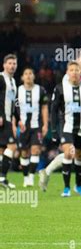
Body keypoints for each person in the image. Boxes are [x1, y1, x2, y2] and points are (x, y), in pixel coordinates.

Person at [39, 50, 81, 191]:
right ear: (68, 72)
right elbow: (54, 108)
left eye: (77, 70)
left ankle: (80, 185)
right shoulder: (62, 86)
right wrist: (53, 128)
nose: (75, 72)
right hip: (67, 125)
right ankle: (67, 187)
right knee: (69, 153)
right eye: (72, 70)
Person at [17, 67, 49, 187]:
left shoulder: (40, 90)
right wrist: (15, 125)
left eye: (31, 73)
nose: (28, 76)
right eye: (26, 74)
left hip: (37, 126)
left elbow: (44, 108)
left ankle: (31, 176)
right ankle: (25, 177)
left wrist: (45, 124)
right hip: (23, 126)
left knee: (35, 150)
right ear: (22, 77)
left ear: (34, 76)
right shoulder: (17, 91)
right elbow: (15, 109)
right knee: (24, 153)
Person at [0, 54, 24, 189]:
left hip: (9, 119)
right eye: (9, 63)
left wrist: (19, 119)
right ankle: (2, 177)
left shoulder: (13, 81)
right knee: (12, 147)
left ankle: (1, 177)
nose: (12, 66)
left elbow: (15, 102)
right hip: (4, 119)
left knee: (2, 150)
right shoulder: (1, 78)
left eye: (14, 63)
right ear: (4, 65)